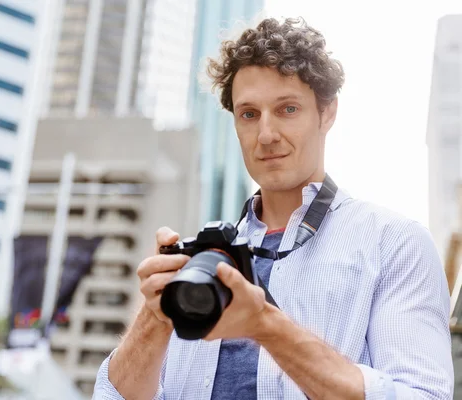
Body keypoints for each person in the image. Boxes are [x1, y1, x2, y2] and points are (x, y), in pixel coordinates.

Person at [93, 17, 454, 399]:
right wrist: (154, 318)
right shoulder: (197, 263)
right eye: (249, 114)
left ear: (327, 113)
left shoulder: (395, 244)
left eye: (287, 109)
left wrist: (266, 325)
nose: (266, 135)